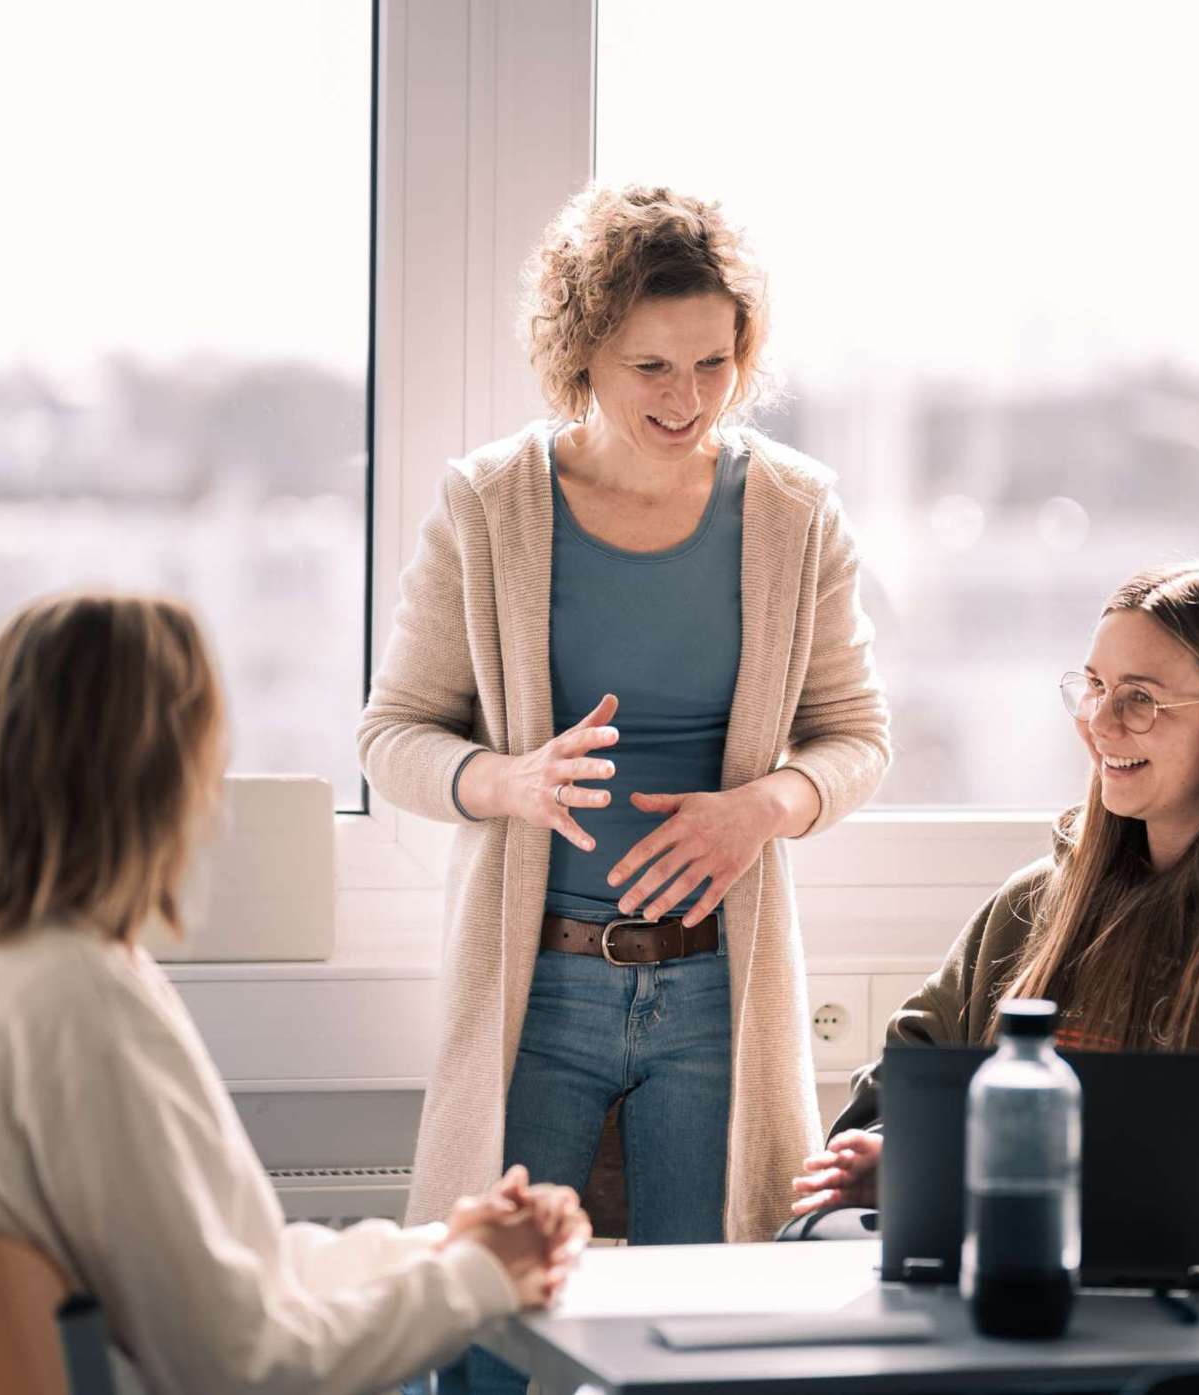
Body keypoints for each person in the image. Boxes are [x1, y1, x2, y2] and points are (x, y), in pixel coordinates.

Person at [359, 185, 890, 1391]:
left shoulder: (794, 512)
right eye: (650, 364)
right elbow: (392, 735)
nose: (685, 397)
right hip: (537, 986)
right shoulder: (490, 504)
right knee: (478, 1340)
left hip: (714, 990)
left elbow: (856, 738)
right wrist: (507, 780)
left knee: (703, 1345)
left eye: (713, 361)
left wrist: (765, 808)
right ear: (579, 354)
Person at [0, 593, 588, 1395]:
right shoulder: (77, 1009)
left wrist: (441, 1247)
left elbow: (227, 1266)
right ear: (150, 775)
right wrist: (475, 1278)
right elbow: (243, 1362)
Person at [789, 561, 1199, 1277]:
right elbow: (906, 1081)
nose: (1098, 723)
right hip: (1013, 1289)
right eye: (1095, 687)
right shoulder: (1034, 905)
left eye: (1140, 699)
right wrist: (903, 1152)